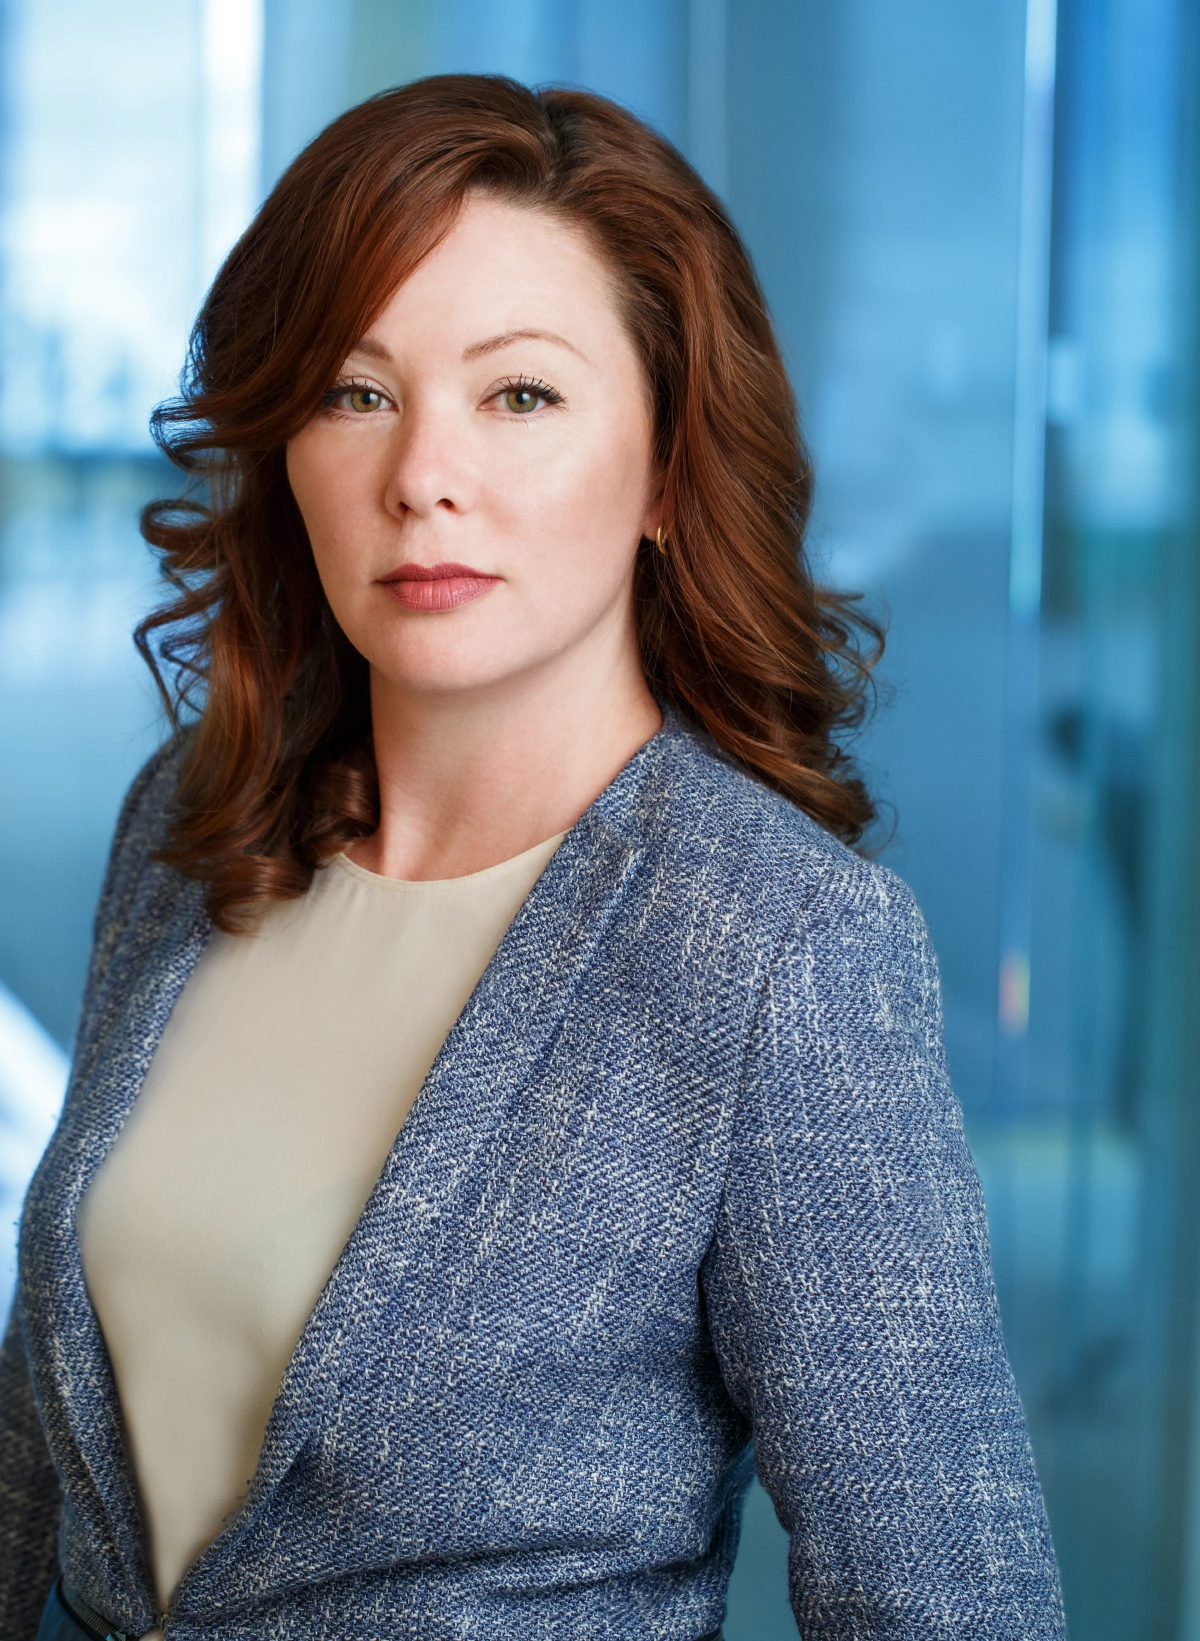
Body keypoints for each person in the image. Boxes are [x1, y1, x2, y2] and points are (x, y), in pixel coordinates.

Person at [0, 74, 1065, 1641]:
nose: (424, 473)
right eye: (357, 392)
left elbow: (944, 1599)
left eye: (519, 397)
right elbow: (47, 1435)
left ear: (664, 466)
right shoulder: (187, 827)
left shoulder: (777, 946)